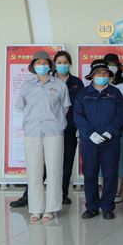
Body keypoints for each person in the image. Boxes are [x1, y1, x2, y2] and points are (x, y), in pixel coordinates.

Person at [16, 51, 70, 223]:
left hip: (53, 132)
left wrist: (57, 123)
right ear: (33, 66)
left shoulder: (60, 85)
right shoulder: (26, 86)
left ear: (49, 65)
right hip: (32, 132)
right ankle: (36, 208)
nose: (41, 65)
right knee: (34, 172)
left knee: (54, 170)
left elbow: (64, 108)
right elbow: (20, 106)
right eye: (38, 63)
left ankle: (51, 208)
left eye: (44, 62)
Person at [74, 59, 123, 220]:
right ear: (92, 76)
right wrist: (90, 133)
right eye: (98, 73)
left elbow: (121, 115)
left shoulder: (115, 93)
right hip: (89, 141)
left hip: (110, 141)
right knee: (90, 174)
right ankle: (92, 207)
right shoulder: (83, 94)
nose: (102, 76)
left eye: (104, 73)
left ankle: (108, 207)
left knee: (110, 174)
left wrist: (111, 132)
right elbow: (78, 116)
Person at [53, 51, 84, 205]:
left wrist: (79, 127)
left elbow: (81, 106)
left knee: (67, 162)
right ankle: (29, 195)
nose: (62, 65)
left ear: (70, 64)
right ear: (54, 64)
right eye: (59, 62)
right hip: (50, 129)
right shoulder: (49, 81)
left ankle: (63, 193)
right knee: (43, 163)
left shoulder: (76, 83)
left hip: (70, 128)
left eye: (65, 62)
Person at [103, 53, 123, 204]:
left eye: (114, 64)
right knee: (104, 159)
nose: (111, 67)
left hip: (121, 127)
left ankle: (118, 191)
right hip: (102, 128)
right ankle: (106, 190)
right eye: (108, 64)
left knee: (121, 160)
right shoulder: (99, 80)